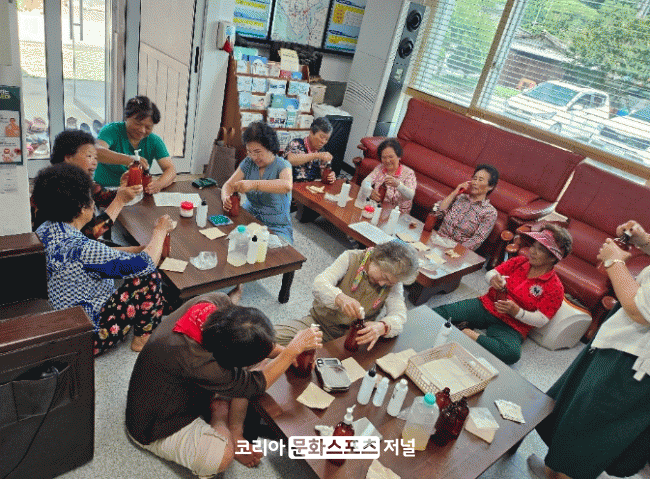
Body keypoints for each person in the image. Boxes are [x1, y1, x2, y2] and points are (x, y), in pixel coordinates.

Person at [126, 292, 322, 476]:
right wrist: (291, 351)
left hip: (171, 385)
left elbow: (251, 339)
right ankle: (218, 414)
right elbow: (254, 385)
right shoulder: (201, 363)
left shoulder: (216, 302)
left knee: (261, 364)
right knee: (222, 458)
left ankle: (234, 429)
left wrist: (287, 354)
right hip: (152, 425)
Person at [528, 220, 650, 479]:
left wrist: (614, 262)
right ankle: (552, 471)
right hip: (622, 344)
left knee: (590, 430)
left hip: (633, 363)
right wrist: (644, 242)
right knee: (575, 412)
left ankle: (562, 473)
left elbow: (640, 309)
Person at [33, 163, 174, 354]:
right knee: (149, 277)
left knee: (141, 269)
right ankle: (143, 338)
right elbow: (145, 264)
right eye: (91, 199)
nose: (93, 203)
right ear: (82, 207)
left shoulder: (47, 229)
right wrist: (160, 230)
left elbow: (97, 249)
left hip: (63, 322)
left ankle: (159, 306)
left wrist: (138, 249)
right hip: (88, 336)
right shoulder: (84, 249)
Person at [433, 223, 572, 364]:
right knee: (439, 313)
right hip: (486, 305)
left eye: (540, 249)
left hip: (512, 325)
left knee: (511, 353)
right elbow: (492, 273)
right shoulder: (519, 261)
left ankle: (468, 333)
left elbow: (541, 320)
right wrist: (493, 279)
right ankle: (473, 332)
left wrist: (517, 312)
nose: (532, 251)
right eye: (533, 246)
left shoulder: (555, 288)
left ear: (553, 258)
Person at [274, 240, 420, 348]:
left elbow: (399, 315)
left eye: (390, 283)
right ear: (377, 260)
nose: (383, 284)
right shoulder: (351, 258)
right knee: (268, 337)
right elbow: (319, 284)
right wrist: (339, 298)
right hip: (320, 325)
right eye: (384, 277)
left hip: (355, 337)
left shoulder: (393, 280)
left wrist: (383, 326)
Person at [31, 129, 140, 239]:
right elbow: (89, 234)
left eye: (96, 157)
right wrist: (119, 201)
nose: (95, 162)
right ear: (68, 157)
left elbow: (106, 197)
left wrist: (124, 187)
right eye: (89, 156)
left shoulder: (81, 183)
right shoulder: (57, 189)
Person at [221, 121, 293, 243]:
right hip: (248, 218)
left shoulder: (283, 165)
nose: (253, 157)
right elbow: (228, 185)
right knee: (225, 238)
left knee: (273, 251)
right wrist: (225, 198)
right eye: (249, 152)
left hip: (276, 227)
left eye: (257, 152)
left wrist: (254, 184)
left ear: (270, 147)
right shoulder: (248, 162)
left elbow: (286, 186)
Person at [95, 95, 176, 192]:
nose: (142, 130)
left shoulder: (154, 140)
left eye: (148, 127)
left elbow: (170, 169)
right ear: (127, 117)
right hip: (104, 190)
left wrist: (159, 184)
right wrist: (129, 159)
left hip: (134, 191)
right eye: (138, 124)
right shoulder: (111, 130)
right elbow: (96, 152)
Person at [434, 164, 499, 251]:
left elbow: (477, 240)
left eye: (480, 180)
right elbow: (437, 213)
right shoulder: (460, 198)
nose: (475, 182)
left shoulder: (490, 212)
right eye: (474, 178)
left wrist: (455, 251)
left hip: (457, 252)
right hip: (437, 242)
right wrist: (454, 192)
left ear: (491, 186)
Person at [364, 138, 417, 214]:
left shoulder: (409, 173)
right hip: (378, 207)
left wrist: (398, 185)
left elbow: (410, 195)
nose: (387, 161)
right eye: (384, 157)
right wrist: (370, 191)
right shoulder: (380, 168)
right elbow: (366, 182)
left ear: (399, 156)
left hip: (398, 214)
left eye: (391, 157)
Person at [284, 117, 336, 183]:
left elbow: (323, 174)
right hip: (293, 185)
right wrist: (316, 155)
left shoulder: (322, 151)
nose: (323, 142)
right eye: (321, 137)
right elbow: (290, 160)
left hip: (312, 186)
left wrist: (330, 176)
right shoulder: (296, 143)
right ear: (311, 132)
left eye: (326, 139)